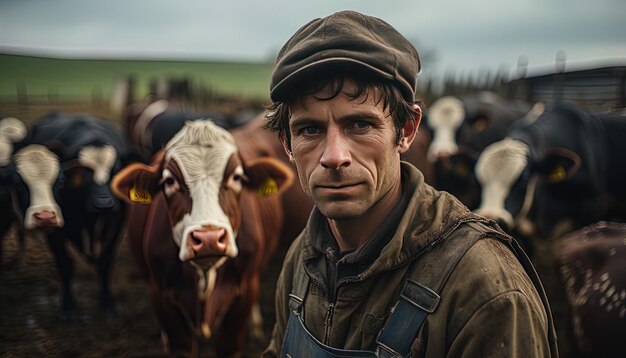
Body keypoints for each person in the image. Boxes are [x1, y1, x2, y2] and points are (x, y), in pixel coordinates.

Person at [263, 10, 558, 357]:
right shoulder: (304, 257)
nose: (334, 156)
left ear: (406, 131)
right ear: (287, 143)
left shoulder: (485, 289)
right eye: (309, 130)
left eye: (360, 125)